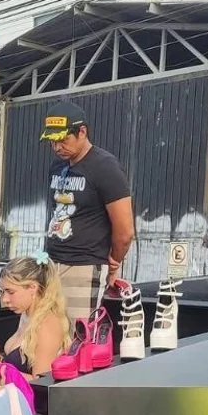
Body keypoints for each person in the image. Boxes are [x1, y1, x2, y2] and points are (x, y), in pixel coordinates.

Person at [40, 99, 136, 321]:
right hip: (51, 263)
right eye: (52, 142)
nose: (57, 147)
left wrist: (113, 263)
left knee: (78, 338)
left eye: (63, 140)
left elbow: (125, 231)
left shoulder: (105, 167)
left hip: (84, 266)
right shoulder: (58, 165)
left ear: (82, 131)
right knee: (42, 333)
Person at [0, 255, 70, 378]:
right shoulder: (27, 314)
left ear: (32, 288)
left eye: (11, 292)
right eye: (1, 291)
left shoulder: (47, 324)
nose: (4, 299)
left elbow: (40, 382)